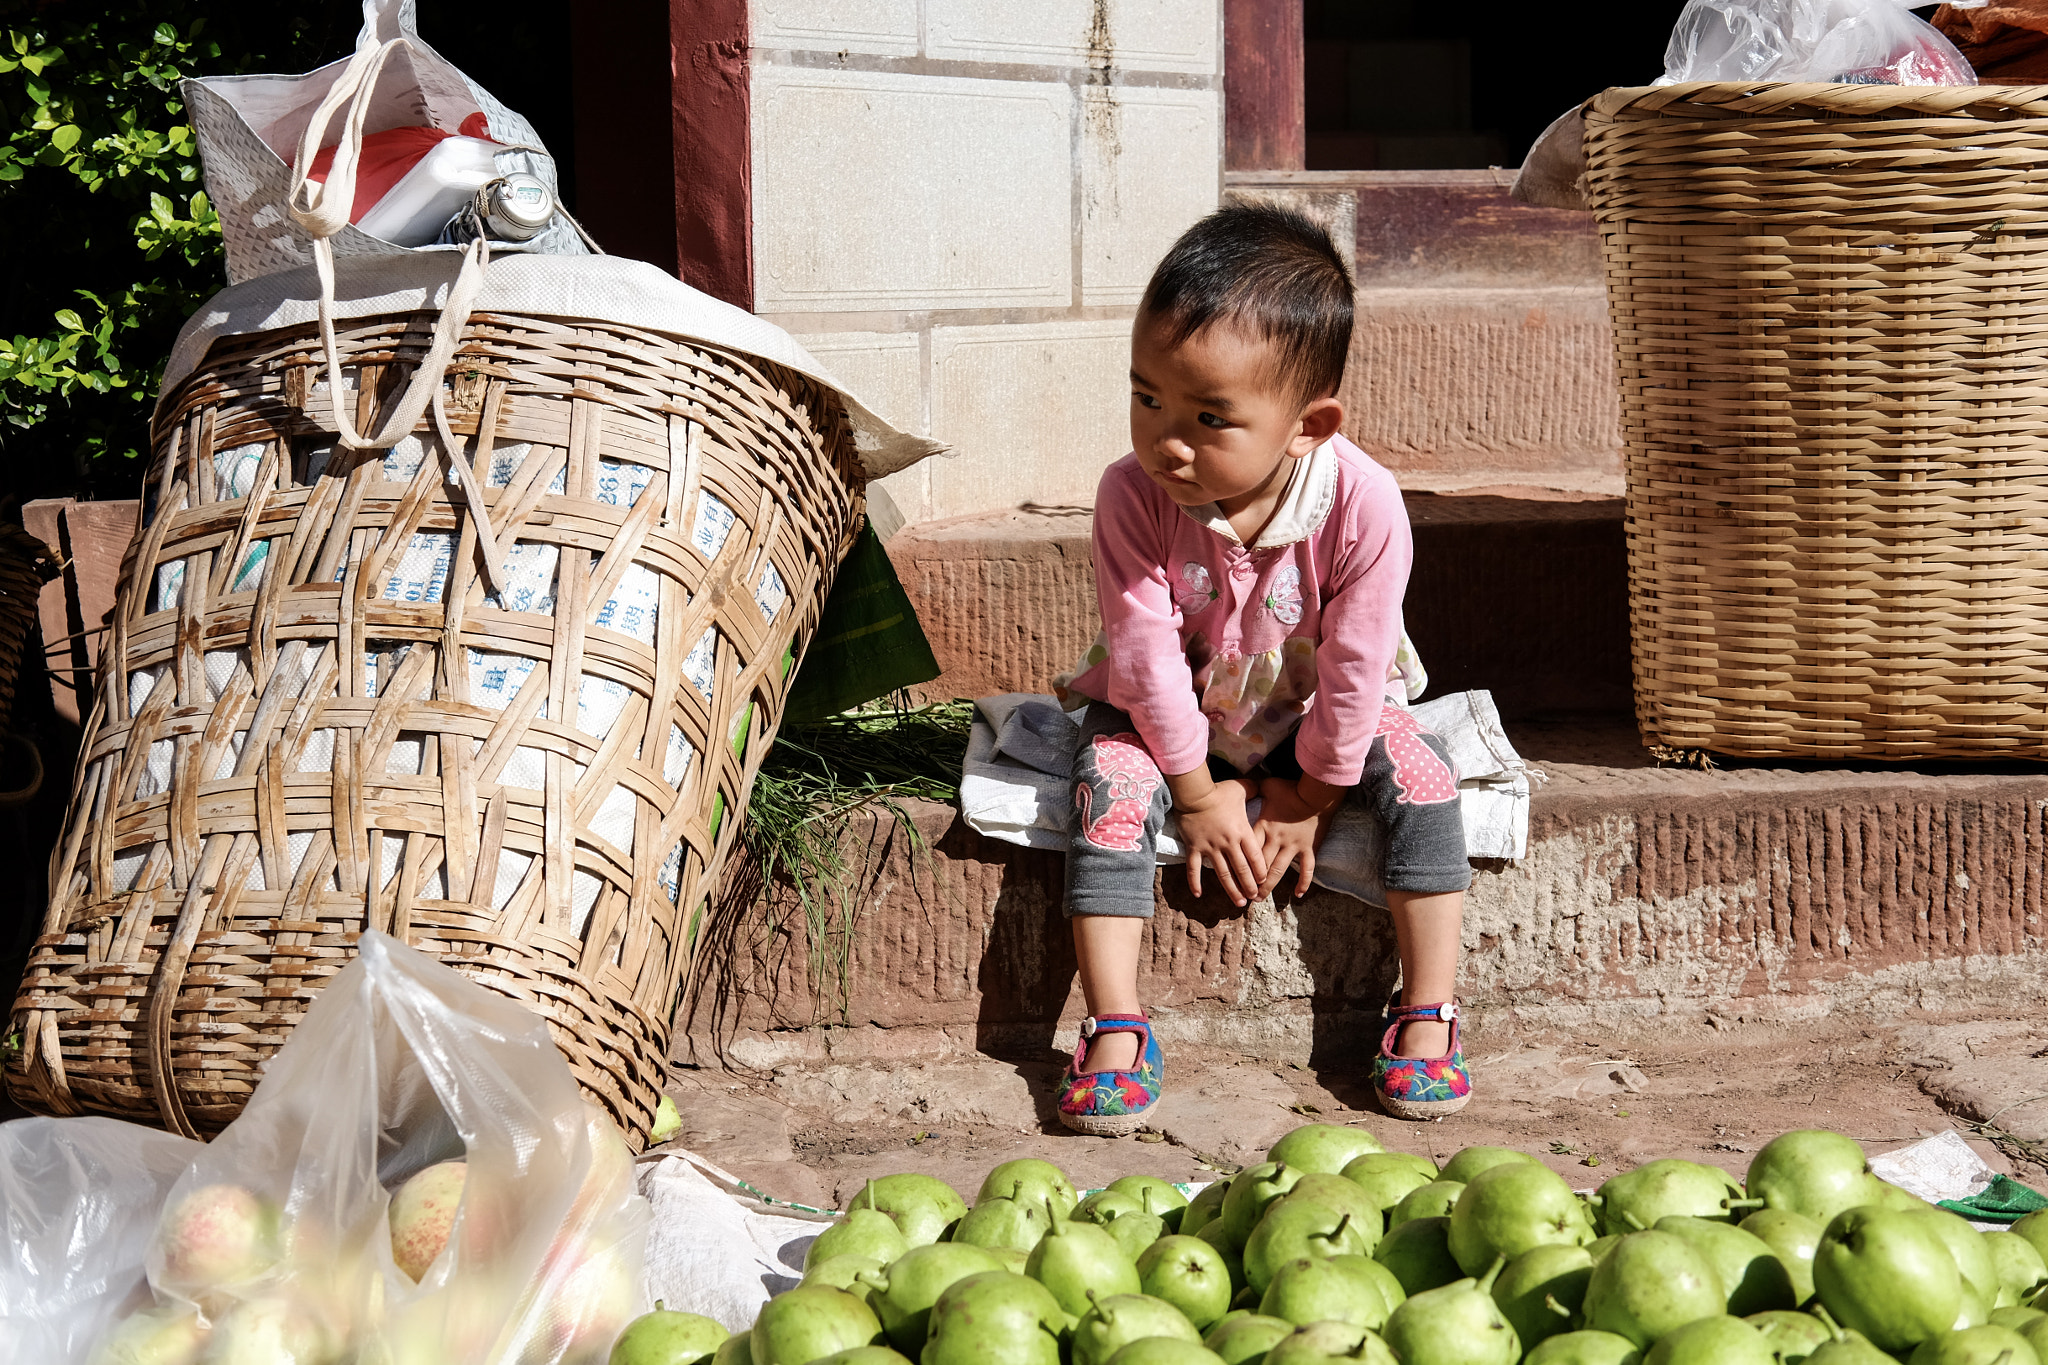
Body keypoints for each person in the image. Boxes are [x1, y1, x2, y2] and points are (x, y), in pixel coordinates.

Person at [1049, 202, 1472, 1134]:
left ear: (1308, 424)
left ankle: (1427, 1009)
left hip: (1312, 707)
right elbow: (1147, 656)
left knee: (1428, 772)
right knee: (1109, 789)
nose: (1167, 439)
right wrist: (1198, 795)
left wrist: (1312, 793)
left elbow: (1358, 667)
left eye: (1209, 418)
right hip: (1175, 715)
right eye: (1146, 395)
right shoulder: (1134, 493)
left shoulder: (1363, 503)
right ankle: (1115, 1021)